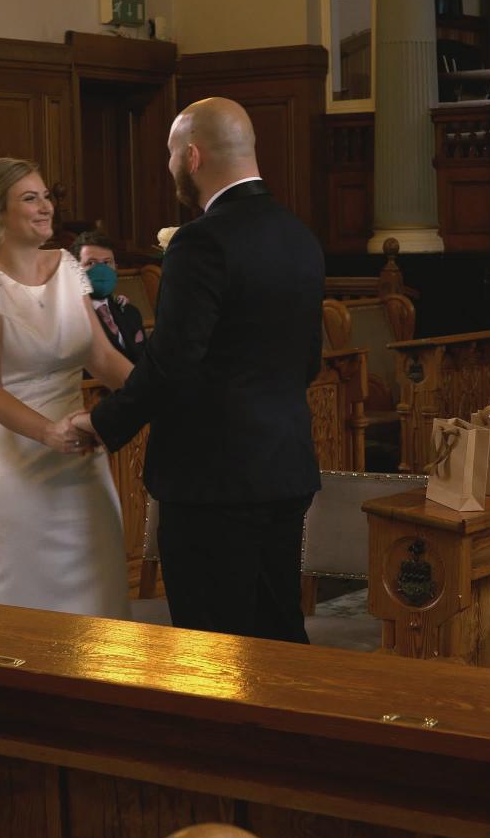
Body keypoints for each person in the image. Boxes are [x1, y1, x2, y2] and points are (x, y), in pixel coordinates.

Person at [69, 97, 325, 642]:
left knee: (212, 649)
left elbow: (173, 363)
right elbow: (308, 363)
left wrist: (105, 421)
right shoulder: (298, 235)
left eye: (168, 154)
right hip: (285, 467)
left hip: (213, 481)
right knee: (279, 635)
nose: (168, 167)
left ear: (192, 157)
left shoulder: (202, 240)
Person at [0, 157, 134, 619]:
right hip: (15, 467)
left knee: (101, 600)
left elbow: (101, 357)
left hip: (81, 466)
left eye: (46, 196)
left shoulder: (69, 266)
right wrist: (47, 432)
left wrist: (158, 394)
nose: (44, 208)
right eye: (29, 198)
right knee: (26, 612)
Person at [75, 230, 146, 359]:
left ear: (115, 267)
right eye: (91, 263)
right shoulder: (69, 319)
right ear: (74, 270)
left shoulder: (130, 313)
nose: (101, 270)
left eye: (107, 263)